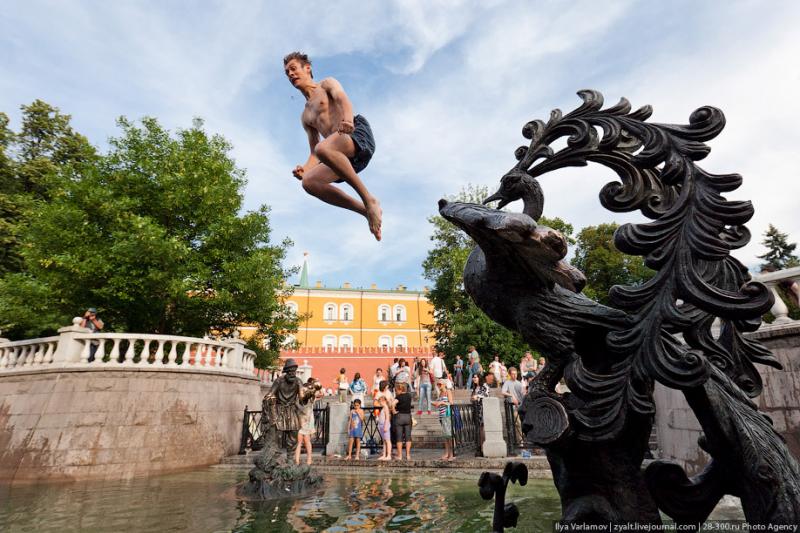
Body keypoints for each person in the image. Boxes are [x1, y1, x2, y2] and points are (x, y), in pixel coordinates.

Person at [284, 52, 382, 240]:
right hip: (341, 156)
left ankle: (369, 199)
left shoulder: (326, 84)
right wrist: (305, 169)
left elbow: (342, 98)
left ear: (307, 68)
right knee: (309, 182)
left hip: (356, 134)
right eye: (287, 72)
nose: (290, 74)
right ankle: (365, 210)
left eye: (294, 69)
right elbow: (315, 151)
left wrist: (347, 120)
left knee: (324, 149)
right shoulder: (305, 117)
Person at [295, 377, 324, 465]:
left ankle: (309, 459)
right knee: (299, 442)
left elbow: (320, 392)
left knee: (306, 441)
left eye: (304, 391)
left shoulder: (310, 399)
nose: (302, 392)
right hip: (300, 423)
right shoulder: (300, 399)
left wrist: (315, 385)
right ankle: (296, 460)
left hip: (305, 423)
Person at [502, 368, 526, 446]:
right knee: (517, 423)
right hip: (512, 407)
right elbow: (503, 392)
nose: (514, 375)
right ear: (509, 374)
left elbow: (523, 395)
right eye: (512, 374)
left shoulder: (519, 383)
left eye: (515, 374)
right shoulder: (507, 382)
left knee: (522, 423)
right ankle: (520, 442)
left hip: (520, 406)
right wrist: (511, 395)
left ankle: (521, 440)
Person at [432, 380, 454, 461]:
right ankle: (447, 453)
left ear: (444, 384)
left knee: (449, 435)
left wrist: (441, 402)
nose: (438, 385)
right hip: (441, 416)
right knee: (445, 436)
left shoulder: (448, 391)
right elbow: (439, 404)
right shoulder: (440, 393)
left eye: (440, 384)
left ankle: (452, 454)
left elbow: (451, 403)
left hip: (447, 415)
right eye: (437, 384)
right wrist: (434, 403)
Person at [393, 382, 413, 460]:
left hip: (400, 417)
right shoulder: (409, 396)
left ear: (400, 389)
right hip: (408, 416)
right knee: (408, 437)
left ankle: (400, 456)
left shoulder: (398, 397)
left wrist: (394, 410)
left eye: (396, 390)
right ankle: (408, 455)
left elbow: (392, 404)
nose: (396, 392)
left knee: (399, 437)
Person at [376, 381, 393, 461]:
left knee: (387, 440)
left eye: (380, 401)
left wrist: (386, 426)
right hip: (381, 424)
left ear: (384, 401)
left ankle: (389, 455)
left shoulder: (385, 407)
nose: (379, 402)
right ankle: (384, 454)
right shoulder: (382, 407)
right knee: (384, 440)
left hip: (385, 424)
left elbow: (387, 418)